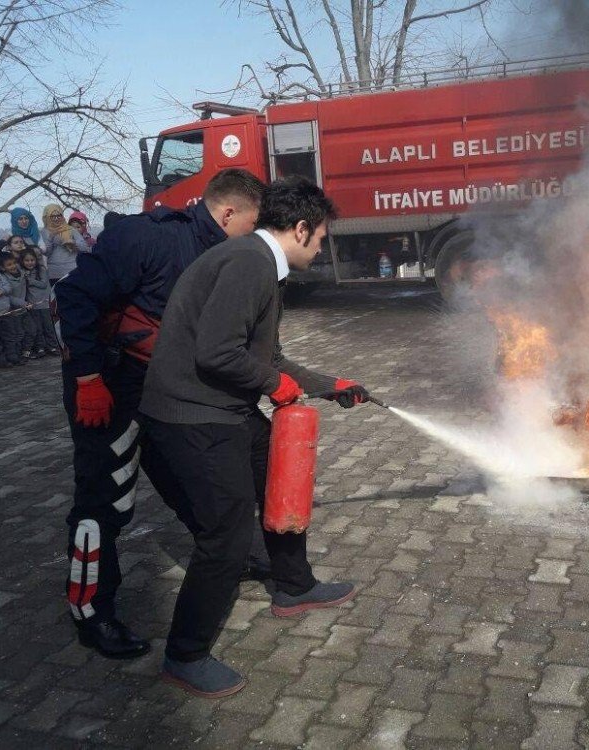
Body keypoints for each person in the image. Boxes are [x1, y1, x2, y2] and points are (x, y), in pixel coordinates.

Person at [139, 177, 366, 697]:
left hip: (224, 410)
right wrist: (275, 386)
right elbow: (218, 353)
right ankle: (185, 654)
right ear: (302, 228)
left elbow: (268, 358)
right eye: (323, 236)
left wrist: (331, 387)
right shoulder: (247, 264)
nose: (324, 246)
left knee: (275, 478)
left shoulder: (259, 264)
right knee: (226, 536)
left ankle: (293, 585)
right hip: (191, 417)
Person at [54, 168, 266, 660]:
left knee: (183, 475)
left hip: (161, 387)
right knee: (104, 501)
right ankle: (91, 612)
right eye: (250, 225)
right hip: (107, 384)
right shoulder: (146, 237)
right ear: (228, 212)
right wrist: (87, 378)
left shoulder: (221, 253)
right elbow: (73, 297)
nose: (253, 237)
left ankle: (224, 560)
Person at [20, 248, 57, 357]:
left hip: (45, 304)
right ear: (22, 261)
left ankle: (52, 346)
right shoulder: (22, 272)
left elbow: (43, 284)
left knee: (48, 327)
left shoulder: (42, 269)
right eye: (27, 260)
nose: (30, 262)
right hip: (33, 305)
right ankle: (40, 347)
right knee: (38, 328)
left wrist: (29, 280)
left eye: (32, 260)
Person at [42, 204, 89, 284]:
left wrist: (73, 243)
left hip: (72, 269)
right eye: (53, 216)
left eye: (59, 215)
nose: (56, 218)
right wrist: (51, 238)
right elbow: (46, 252)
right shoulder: (44, 232)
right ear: (47, 217)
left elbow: (84, 247)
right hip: (54, 272)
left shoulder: (70, 229)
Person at [0, 253, 30, 362]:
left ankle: (23, 353)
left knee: (26, 331)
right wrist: (22, 303)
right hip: (13, 311)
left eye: (14, 263)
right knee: (15, 334)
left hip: (23, 309)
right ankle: (14, 356)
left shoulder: (22, 273)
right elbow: (8, 296)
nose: (13, 266)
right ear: (2, 268)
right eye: (9, 264)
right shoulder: (3, 278)